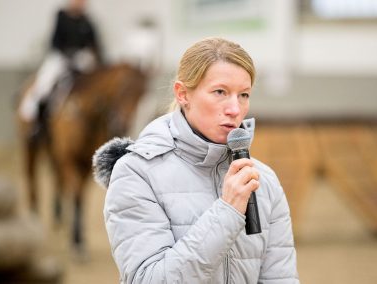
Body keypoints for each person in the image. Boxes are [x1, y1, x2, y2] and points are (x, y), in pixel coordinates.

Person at [93, 37, 299, 283]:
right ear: (182, 94)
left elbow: (281, 278)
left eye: (243, 95)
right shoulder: (136, 173)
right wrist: (228, 211)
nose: (235, 109)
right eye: (220, 92)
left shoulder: (264, 180)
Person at [19, 0, 102, 124]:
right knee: (47, 79)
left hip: (81, 60)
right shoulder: (61, 17)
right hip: (60, 57)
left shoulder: (87, 21)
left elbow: (95, 44)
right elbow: (55, 41)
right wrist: (68, 54)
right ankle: (32, 109)